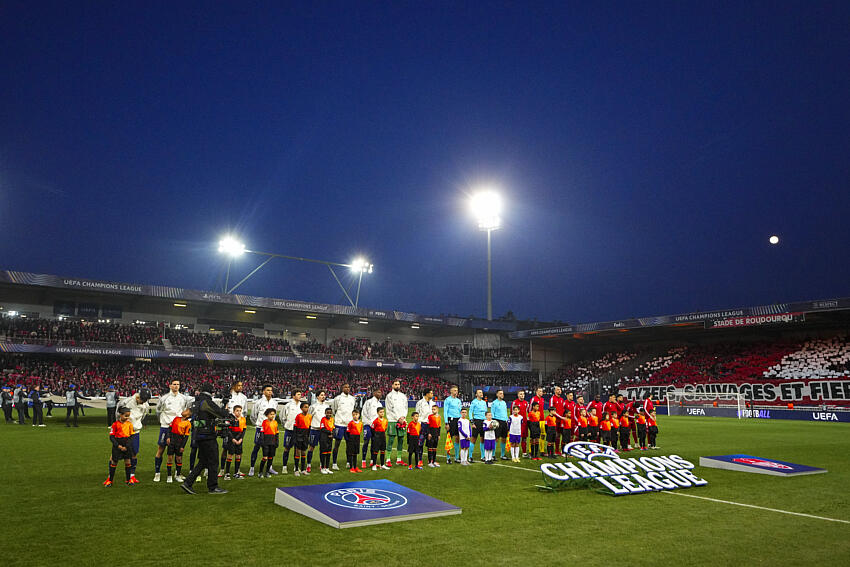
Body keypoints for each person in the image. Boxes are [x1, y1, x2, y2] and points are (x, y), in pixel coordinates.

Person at [180, 383, 230, 495]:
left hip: (198, 435)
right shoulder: (206, 402)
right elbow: (222, 414)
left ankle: (188, 482)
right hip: (208, 435)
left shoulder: (196, 402)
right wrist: (225, 405)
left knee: (203, 461)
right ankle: (213, 487)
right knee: (213, 461)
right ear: (211, 392)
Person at [155, 379, 191, 482]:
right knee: (161, 449)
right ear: (170, 385)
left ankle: (177, 474)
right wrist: (163, 421)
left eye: (178, 384)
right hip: (166, 427)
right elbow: (158, 410)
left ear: (179, 386)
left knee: (178, 451)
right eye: (174, 384)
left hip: (178, 428)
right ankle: (157, 473)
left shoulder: (183, 398)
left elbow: (186, 411)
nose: (176, 386)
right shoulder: (164, 398)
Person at [248, 385, 282, 476]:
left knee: (271, 448)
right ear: (263, 391)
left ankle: (269, 468)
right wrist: (258, 424)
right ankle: (252, 468)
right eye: (268, 390)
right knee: (257, 447)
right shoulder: (258, 402)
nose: (270, 392)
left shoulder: (274, 403)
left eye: (271, 390)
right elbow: (253, 416)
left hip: (271, 430)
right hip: (261, 429)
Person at [119, 387, 151, 484]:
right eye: (142, 399)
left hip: (135, 433)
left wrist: (136, 425)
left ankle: (131, 476)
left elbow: (143, 416)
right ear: (138, 396)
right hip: (124, 432)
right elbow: (118, 413)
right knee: (116, 455)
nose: (143, 402)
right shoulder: (127, 402)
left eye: (145, 400)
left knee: (134, 453)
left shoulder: (145, 405)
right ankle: (110, 477)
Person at [220, 380, 248, 473]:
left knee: (239, 448)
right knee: (225, 448)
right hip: (229, 424)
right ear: (233, 386)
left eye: (241, 385)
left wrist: (241, 421)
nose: (240, 387)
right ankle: (222, 469)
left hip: (239, 425)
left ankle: (237, 470)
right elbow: (223, 409)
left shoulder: (244, 397)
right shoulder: (227, 396)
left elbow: (245, 412)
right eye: (238, 385)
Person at [104, 407, 135, 487]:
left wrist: (127, 446)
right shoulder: (115, 425)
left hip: (126, 444)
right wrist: (118, 446)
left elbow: (132, 436)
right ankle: (110, 480)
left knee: (128, 462)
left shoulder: (130, 424)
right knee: (114, 462)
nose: (127, 418)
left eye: (128, 416)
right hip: (117, 445)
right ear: (120, 415)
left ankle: (128, 480)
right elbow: (111, 437)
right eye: (125, 416)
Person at [331, 383, 356, 470]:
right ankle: (334, 463)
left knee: (349, 444)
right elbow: (334, 410)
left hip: (349, 424)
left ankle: (348, 462)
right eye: (345, 387)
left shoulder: (352, 399)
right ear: (342, 388)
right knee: (337, 443)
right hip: (339, 424)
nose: (347, 388)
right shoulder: (337, 398)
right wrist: (339, 419)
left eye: (348, 387)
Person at [279, 389, 303, 475]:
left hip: (299, 431)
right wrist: (286, 424)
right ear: (293, 396)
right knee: (287, 448)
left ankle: (296, 467)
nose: (300, 396)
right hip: (289, 430)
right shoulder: (288, 405)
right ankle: (284, 466)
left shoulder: (302, 406)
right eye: (298, 394)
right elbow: (282, 416)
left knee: (297, 449)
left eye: (300, 394)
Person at [384, 379, 407, 466]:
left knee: (401, 440)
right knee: (391, 440)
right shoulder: (389, 396)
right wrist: (398, 418)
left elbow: (406, 407)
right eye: (395, 384)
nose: (397, 386)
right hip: (393, 421)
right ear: (392, 386)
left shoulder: (403, 396)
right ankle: (388, 459)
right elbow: (390, 408)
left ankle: (399, 459)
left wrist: (403, 417)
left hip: (402, 420)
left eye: (398, 384)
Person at [166, 408, 192, 483]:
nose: (184, 411)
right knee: (170, 457)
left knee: (179, 458)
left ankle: (177, 475)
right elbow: (169, 428)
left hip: (179, 441)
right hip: (172, 439)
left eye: (186, 411)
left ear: (188, 415)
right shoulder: (176, 419)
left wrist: (182, 446)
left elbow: (186, 436)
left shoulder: (188, 424)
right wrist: (168, 437)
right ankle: (169, 476)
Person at [307, 390, 329, 473]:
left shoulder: (326, 406)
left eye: (324, 395)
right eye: (321, 395)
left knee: (323, 448)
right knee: (311, 447)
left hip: (323, 431)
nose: (323, 396)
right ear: (317, 397)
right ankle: (308, 464)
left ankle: (322, 464)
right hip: (314, 429)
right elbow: (309, 417)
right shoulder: (313, 406)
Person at [360, 389, 383, 469]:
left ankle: (372, 461)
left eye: (380, 392)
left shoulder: (379, 403)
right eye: (378, 392)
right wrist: (370, 423)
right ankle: (363, 461)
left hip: (376, 426)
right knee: (366, 442)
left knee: (374, 443)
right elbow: (364, 413)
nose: (380, 393)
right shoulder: (368, 402)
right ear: (374, 393)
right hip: (368, 425)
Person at [223, 405, 247, 480]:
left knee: (238, 456)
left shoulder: (243, 419)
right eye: (237, 410)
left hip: (239, 440)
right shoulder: (231, 419)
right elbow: (228, 431)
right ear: (233, 411)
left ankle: (236, 473)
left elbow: (243, 431)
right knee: (230, 455)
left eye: (240, 410)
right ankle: (227, 474)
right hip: (232, 440)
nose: (239, 412)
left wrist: (241, 439)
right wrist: (233, 439)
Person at [415, 388, 435, 467]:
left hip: (431, 425)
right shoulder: (420, 403)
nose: (432, 394)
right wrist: (418, 425)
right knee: (420, 443)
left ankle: (430, 459)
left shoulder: (433, 403)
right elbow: (417, 414)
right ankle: (420, 459)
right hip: (422, 424)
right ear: (427, 394)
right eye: (431, 393)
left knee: (430, 442)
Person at [256, 408, 279, 478]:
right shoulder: (264, 422)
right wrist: (262, 442)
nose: (272, 416)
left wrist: (277, 442)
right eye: (270, 414)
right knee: (265, 458)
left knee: (271, 458)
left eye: (273, 414)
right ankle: (260, 472)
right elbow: (262, 432)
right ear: (267, 415)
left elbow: (277, 433)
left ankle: (267, 472)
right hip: (266, 442)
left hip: (273, 442)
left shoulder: (275, 422)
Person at [443, 385, 462, 464]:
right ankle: (448, 458)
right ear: (450, 391)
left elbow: (460, 411)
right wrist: (446, 422)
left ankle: (457, 457)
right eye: (454, 390)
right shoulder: (447, 400)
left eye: (456, 390)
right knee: (449, 439)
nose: (456, 392)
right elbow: (445, 411)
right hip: (451, 420)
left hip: (458, 420)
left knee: (457, 438)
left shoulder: (458, 400)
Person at [468, 389, 488, 462]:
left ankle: (483, 456)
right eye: (479, 392)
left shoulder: (484, 402)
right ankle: (470, 456)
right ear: (476, 394)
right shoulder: (474, 402)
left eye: (482, 392)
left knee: (483, 439)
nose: (481, 393)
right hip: (477, 421)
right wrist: (472, 422)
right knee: (473, 439)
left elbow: (486, 413)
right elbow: (470, 412)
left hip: (484, 422)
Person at [293, 401, 311, 477]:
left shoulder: (310, 416)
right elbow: (295, 427)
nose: (307, 408)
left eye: (307, 407)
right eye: (305, 407)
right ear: (301, 408)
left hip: (305, 435)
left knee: (304, 453)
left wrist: (308, 436)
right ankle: (296, 470)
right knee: (298, 453)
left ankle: (303, 469)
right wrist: (295, 438)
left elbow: (309, 427)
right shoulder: (298, 416)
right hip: (299, 435)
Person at [511, 390, 529, 457]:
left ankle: (524, 453)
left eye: (523, 394)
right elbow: (511, 413)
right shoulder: (515, 402)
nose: (522, 395)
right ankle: (515, 453)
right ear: (518, 395)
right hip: (516, 424)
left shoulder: (526, 403)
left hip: (524, 423)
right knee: (516, 438)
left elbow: (528, 412)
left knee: (524, 438)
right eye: (521, 394)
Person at [491, 389, 509, 461]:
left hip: (504, 421)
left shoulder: (504, 403)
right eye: (500, 393)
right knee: (496, 438)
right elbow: (492, 412)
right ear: (497, 395)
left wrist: (507, 420)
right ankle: (493, 455)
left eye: (502, 393)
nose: (502, 395)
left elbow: (505, 412)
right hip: (497, 421)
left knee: (504, 438)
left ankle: (502, 455)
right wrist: (494, 422)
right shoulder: (494, 403)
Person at [548, 387, 566, 453]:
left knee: (561, 434)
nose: (559, 391)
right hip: (555, 420)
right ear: (555, 391)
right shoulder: (552, 399)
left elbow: (563, 409)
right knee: (555, 435)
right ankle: (555, 450)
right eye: (558, 390)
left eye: (560, 389)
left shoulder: (561, 399)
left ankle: (561, 450)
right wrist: (560, 417)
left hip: (561, 420)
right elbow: (552, 410)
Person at [370, 406, 389, 471]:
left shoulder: (385, 420)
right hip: (377, 436)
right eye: (380, 412)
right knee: (375, 451)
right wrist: (375, 436)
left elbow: (385, 428)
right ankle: (374, 465)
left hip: (383, 436)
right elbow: (372, 429)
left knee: (383, 450)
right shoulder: (375, 421)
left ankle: (382, 465)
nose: (382, 413)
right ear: (378, 413)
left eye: (383, 412)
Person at [345, 409, 363, 473]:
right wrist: (349, 439)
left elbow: (360, 430)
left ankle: (355, 466)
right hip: (351, 438)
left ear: (359, 415)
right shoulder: (350, 423)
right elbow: (347, 432)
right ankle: (351, 467)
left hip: (357, 438)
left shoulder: (360, 423)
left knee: (355, 453)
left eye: (356, 414)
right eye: (354, 415)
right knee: (351, 453)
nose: (355, 416)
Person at [318, 407, 334, 474]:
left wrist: (332, 433)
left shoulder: (332, 419)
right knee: (323, 452)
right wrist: (329, 432)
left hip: (330, 438)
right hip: (324, 438)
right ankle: (322, 468)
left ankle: (327, 467)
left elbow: (333, 427)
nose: (329, 414)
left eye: (330, 413)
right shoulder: (323, 419)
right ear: (325, 413)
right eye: (327, 413)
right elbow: (322, 428)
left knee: (328, 453)